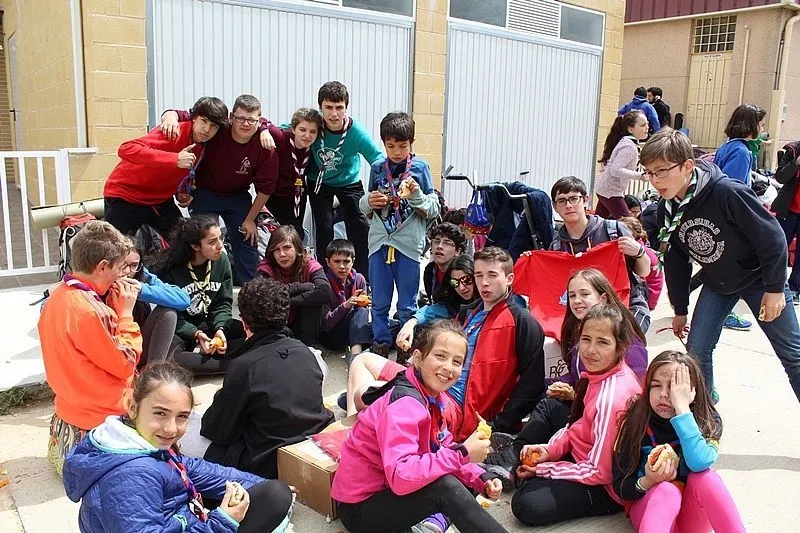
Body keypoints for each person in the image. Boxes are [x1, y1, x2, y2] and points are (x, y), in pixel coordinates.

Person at [641, 128, 800, 403]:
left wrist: (774, 289)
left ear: (688, 166)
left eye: (662, 171)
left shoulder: (727, 192)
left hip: (760, 279)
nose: (655, 181)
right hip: (719, 282)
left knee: (792, 354)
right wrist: (680, 309)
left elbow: (773, 238)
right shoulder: (667, 210)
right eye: (649, 172)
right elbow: (676, 261)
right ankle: (706, 414)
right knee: (697, 351)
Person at [63, 362, 295, 533]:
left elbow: (197, 470)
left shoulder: (133, 442)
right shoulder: (131, 475)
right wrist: (223, 521)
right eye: (160, 414)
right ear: (133, 407)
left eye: (182, 416)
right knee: (275, 498)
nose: (171, 428)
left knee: (270, 491)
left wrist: (256, 483)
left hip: (175, 521)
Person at [352, 247, 546, 441]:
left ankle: (360, 434)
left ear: (509, 278)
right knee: (362, 361)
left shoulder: (522, 322)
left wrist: (497, 425)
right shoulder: (469, 312)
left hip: (455, 408)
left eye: (492, 275)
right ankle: (351, 433)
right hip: (430, 382)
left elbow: (533, 386)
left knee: (364, 394)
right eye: (479, 275)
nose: (484, 283)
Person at [331, 321, 508, 533]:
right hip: (361, 507)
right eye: (440, 356)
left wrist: (481, 477)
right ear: (418, 358)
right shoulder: (404, 403)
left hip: (389, 491)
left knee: (461, 477)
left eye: (457, 361)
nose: (448, 367)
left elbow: (442, 445)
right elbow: (400, 475)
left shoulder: (434, 397)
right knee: (448, 486)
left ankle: (431, 523)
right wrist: (463, 453)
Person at [484, 269, 647, 479]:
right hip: (586, 416)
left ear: (603, 297)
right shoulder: (580, 330)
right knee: (543, 395)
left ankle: (513, 456)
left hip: (608, 433)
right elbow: (576, 376)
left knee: (547, 408)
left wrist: (575, 397)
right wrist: (553, 386)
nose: (577, 301)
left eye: (584, 294)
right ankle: (517, 453)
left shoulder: (627, 340)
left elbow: (631, 398)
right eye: (571, 295)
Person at [510, 304, 642, 526]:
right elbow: (577, 423)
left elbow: (601, 472)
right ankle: (513, 461)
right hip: (586, 452)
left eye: (603, 342)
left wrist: (545, 468)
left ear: (621, 347)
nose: (590, 350)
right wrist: (549, 451)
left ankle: (517, 468)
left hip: (604, 486)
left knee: (526, 503)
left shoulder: (612, 397)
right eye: (586, 339)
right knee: (549, 406)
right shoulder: (599, 372)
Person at [201, 277, 334, 479]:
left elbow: (217, 430)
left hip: (266, 461)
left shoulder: (244, 367)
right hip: (309, 442)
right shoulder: (307, 353)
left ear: (244, 322)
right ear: (286, 315)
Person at [38, 221, 142, 475]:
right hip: (101, 418)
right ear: (102, 266)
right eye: (118, 268)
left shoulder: (55, 299)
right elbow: (125, 362)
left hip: (70, 412)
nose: (121, 275)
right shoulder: (92, 310)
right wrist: (126, 314)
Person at [612, 351, 745, 532]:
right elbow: (620, 487)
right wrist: (648, 480)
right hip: (652, 508)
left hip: (691, 516)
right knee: (667, 490)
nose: (664, 394)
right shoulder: (634, 421)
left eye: (674, 387)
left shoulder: (707, 420)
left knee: (707, 479)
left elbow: (699, 462)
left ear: (692, 392)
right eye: (656, 386)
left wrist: (682, 409)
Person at [160, 95, 280, 284]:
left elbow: (266, 189)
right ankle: (203, 284)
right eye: (240, 118)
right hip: (206, 192)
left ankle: (250, 288)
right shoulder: (218, 128)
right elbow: (190, 115)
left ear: (260, 121)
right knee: (205, 238)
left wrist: (250, 220)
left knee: (247, 237)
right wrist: (169, 116)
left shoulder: (266, 146)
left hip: (238, 196)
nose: (245, 124)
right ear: (231, 117)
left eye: (252, 120)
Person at [361, 111, 441, 356]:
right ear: (383, 143)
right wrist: (369, 201)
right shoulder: (377, 168)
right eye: (390, 145)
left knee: (407, 302)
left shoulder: (420, 168)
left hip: (407, 244)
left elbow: (433, 208)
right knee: (380, 300)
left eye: (402, 146)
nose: (396, 151)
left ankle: (407, 344)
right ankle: (381, 342)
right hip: (380, 243)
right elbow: (365, 208)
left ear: (412, 143)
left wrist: (416, 195)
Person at [104, 97, 228, 236]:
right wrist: (174, 159)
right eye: (204, 121)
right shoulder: (173, 131)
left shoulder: (205, 145)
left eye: (214, 126)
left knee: (186, 241)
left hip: (159, 201)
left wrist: (181, 191)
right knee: (114, 251)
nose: (207, 129)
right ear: (194, 118)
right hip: (127, 196)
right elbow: (126, 149)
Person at [549, 176, 652, 332]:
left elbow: (644, 271)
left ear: (585, 200)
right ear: (555, 207)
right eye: (562, 201)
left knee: (623, 346)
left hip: (626, 308)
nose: (568, 205)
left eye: (573, 198)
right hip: (584, 316)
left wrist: (639, 252)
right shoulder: (556, 246)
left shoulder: (613, 230)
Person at [149, 215, 245, 375]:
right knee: (170, 358)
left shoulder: (221, 261)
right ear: (195, 246)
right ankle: (233, 365)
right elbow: (170, 315)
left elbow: (223, 303)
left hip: (209, 322)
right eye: (212, 242)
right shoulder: (171, 268)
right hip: (181, 328)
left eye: (220, 239)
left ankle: (210, 363)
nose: (220, 246)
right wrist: (195, 334)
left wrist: (220, 328)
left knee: (255, 335)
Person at [306, 81, 384, 278]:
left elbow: (377, 159)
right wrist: (265, 131)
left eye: (339, 108)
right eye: (328, 108)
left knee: (359, 226)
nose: (334, 114)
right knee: (324, 229)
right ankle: (324, 277)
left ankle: (363, 277)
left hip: (348, 183)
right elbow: (287, 128)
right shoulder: (314, 123)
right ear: (320, 107)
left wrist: (383, 186)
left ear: (346, 108)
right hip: (319, 182)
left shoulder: (355, 131)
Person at [257, 225, 332, 346]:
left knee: (314, 298)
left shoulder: (309, 264)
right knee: (308, 288)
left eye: (287, 248)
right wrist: (299, 287)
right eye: (276, 249)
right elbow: (260, 298)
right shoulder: (266, 268)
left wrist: (288, 300)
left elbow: (325, 293)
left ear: (297, 249)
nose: (282, 254)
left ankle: (308, 347)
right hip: (275, 325)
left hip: (302, 324)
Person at [122, 243, 191, 369]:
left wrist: (143, 290)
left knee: (168, 313)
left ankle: (153, 373)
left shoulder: (142, 275)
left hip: (142, 344)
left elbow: (183, 299)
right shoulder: (105, 281)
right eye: (123, 265)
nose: (127, 271)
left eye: (134, 265)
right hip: (117, 347)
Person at [264, 108, 324, 236]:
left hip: (298, 197)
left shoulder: (314, 148)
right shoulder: (281, 137)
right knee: (287, 235)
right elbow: (261, 121)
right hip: (275, 196)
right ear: (293, 129)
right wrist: (263, 131)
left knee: (296, 234)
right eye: (302, 130)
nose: (307, 135)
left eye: (312, 131)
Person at [321, 239, 372, 365]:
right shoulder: (324, 284)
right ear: (328, 262)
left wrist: (370, 304)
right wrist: (347, 305)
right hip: (334, 335)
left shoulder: (359, 279)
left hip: (355, 328)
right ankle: (356, 355)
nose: (342, 266)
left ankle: (359, 347)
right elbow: (326, 325)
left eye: (346, 261)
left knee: (390, 327)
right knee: (360, 311)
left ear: (353, 261)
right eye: (337, 261)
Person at [594, 110, 650, 219]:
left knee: (599, 223)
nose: (647, 127)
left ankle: (589, 236)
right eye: (643, 125)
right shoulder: (629, 146)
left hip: (605, 189)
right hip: (611, 191)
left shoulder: (626, 142)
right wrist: (639, 176)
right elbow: (615, 170)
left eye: (647, 124)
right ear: (630, 128)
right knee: (630, 225)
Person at [773, 139, 800, 305]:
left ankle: (795, 288)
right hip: (788, 211)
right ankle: (773, 284)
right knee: (778, 248)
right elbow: (781, 177)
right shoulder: (793, 150)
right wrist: (796, 163)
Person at [713, 103, 766, 185]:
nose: (762, 129)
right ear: (752, 125)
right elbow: (733, 189)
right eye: (762, 125)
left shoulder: (726, 146)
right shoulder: (741, 152)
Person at [619, 217, 663, 310]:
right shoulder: (640, 247)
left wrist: (649, 304)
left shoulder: (642, 252)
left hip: (648, 296)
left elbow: (652, 280)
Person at [421, 222, 467, 306]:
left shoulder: (463, 273)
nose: (440, 246)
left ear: (458, 251)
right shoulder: (430, 270)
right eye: (436, 241)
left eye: (447, 243)